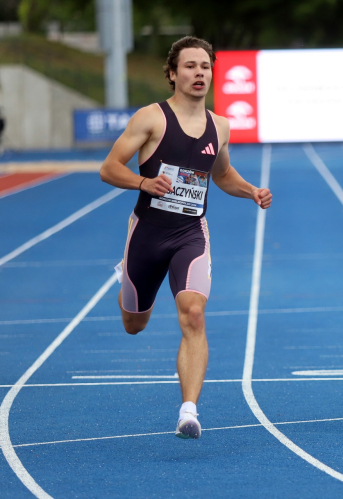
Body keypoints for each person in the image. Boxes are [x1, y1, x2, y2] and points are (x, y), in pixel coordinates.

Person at [99, 36, 272, 439]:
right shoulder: (151, 118)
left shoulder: (220, 126)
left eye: (205, 66)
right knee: (133, 324)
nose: (199, 73)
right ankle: (126, 273)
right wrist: (144, 182)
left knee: (193, 312)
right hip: (147, 233)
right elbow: (109, 169)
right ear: (173, 73)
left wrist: (252, 191)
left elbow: (223, 174)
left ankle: (189, 412)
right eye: (190, 66)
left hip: (190, 233)